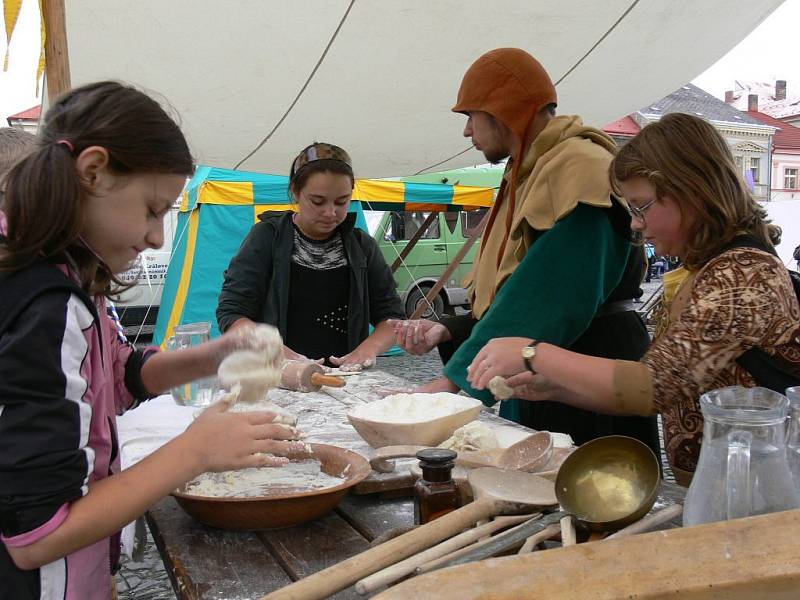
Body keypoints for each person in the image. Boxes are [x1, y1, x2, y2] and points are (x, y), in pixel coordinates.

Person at [0, 82, 303, 600]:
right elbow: (36, 536)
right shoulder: (42, 304)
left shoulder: (72, 279)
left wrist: (217, 354)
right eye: (152, 209)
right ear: (92, 172)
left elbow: (117, 379)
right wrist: (195, 450)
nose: (158, 237)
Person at [468, 112, 800, 485]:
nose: (635, 224)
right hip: (730, 485)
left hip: (759, 494)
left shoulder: (743, 276)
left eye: (641, 207)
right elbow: (659, 384)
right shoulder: (710, 269)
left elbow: (653, 384)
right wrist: (555, 386)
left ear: (692, 191)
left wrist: (533, 353)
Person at [390, 48, 659, 455]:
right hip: (537, 374)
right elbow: (514, 289)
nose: (467, 132)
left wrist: (456, 382)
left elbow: (551, 294)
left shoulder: (578, 167)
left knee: (589, 507)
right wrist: (454, 329)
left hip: (585, 381)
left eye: (470, 115)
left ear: (502, 110)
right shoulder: (530, 171)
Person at [216, 142, 404, 369]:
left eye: (342, 202)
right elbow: (232, 313)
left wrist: (367, 349)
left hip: (345, 379)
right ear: (296, 191)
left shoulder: (362, 246)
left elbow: (392, 317)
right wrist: (272, 349)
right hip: (275, 376)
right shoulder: (267, 238)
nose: (330, 212)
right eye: (317, 201)